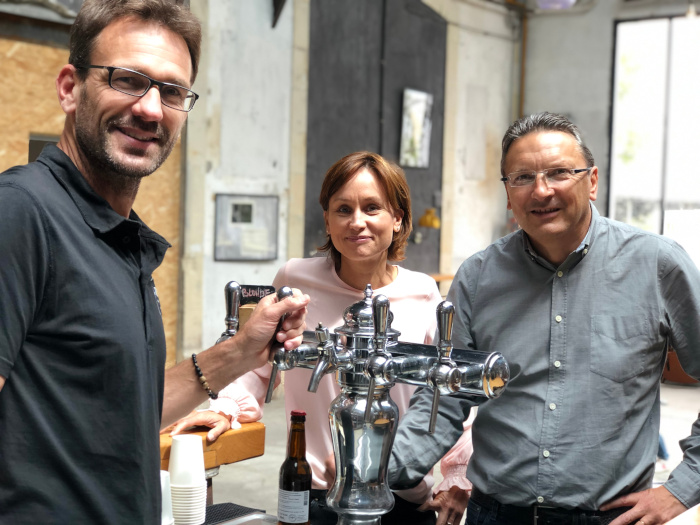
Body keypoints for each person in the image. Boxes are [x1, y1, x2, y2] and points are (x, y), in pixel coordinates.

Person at [0, 2, 309, 523]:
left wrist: (239, 352)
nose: (150, 109)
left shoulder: (117, 235)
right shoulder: (22, 211)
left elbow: (128, 410)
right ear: (70, 88)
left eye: (170, 91)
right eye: (128, 80)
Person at [389, 112, 700, 525]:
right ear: (507, 193)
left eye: (559, 173)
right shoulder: (479, 276)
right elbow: (446, 398)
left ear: (591, 181)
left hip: (609, 517)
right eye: (522, 177)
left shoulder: (657, 264)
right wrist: (378, 473)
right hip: (496, 514)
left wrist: (678, 491)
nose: (541, 190)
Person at [170, 151, 473, 525]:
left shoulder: (424, 294)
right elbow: (258, 362)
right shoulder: (295, 281)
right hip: (314, 493)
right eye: (342, 209)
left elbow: (446, 394)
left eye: (372, 208)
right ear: (327, 220)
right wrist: (224, 408)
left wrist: (458, 475)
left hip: (402, 496)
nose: (356, 222)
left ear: (398, 219)